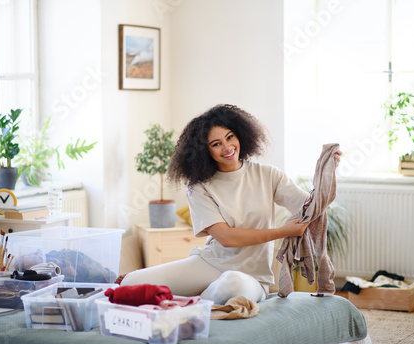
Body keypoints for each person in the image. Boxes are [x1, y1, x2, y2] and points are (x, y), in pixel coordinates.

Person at [120, 104, 341, 305]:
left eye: (230, 137)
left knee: (232, 285)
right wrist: (282, 232)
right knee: (132, 281)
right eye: (216, 144)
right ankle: (195, 295)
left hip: (252, 277)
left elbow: (311, 208)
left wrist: (328, 172)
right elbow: (226, 238)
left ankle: (190, 301)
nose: (227, 147)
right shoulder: (199, 187)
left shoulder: (268, 175)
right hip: (211, 264)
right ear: (205, 151)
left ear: (241, 135)